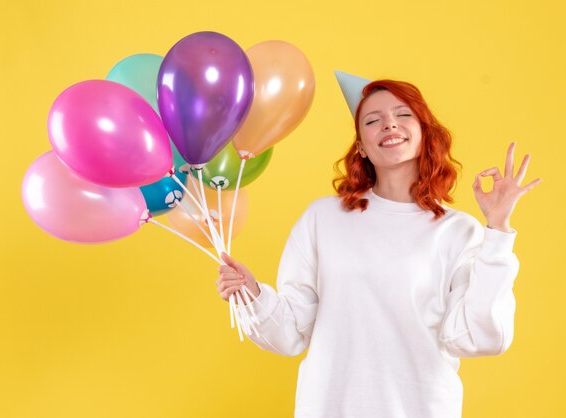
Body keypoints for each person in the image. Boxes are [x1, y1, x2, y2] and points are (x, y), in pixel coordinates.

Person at [215, 71, 541, 418]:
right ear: (361, 146)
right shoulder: (323, 219)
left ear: (424, 134)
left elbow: (480, 337)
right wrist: (251, 293)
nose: (389, 125)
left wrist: (498, 229)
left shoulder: (459, 231)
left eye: (403, 115)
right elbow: (291, 332)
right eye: (373, 120)